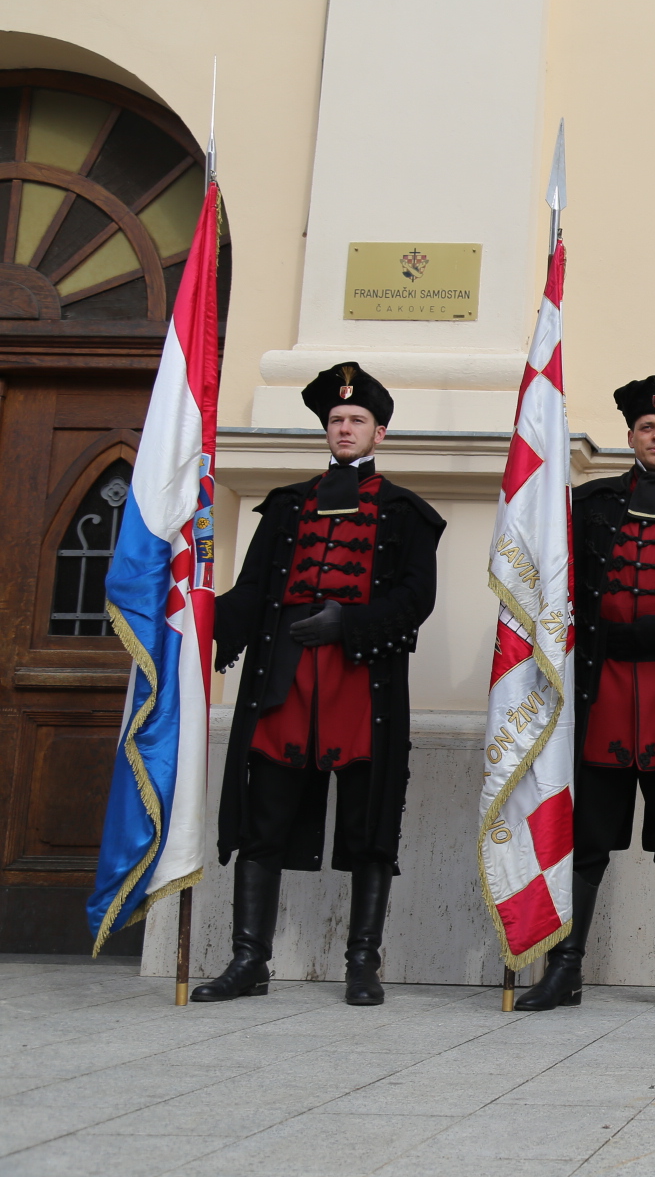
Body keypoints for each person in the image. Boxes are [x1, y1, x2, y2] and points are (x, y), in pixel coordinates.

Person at [194, 364, 444, 1006]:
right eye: (336, 420)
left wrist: (348, 622)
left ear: (378, 433)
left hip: (362, 685)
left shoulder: (406, 513)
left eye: (357, 420)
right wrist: (192, 614)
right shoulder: (285, 506)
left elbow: (417, 597)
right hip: (283, 682)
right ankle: (249, 959)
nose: (344, 428)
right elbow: (251, 592)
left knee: (368, 825)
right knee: (264, 817)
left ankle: (363, 962)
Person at [515, 376, 655, 1013]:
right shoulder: (588, 505)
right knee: (586, 838)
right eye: (647, 427)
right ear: (631, 435)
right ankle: (564, 970)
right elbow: (558, 586)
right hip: (601, 691)